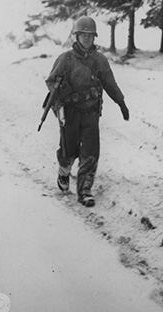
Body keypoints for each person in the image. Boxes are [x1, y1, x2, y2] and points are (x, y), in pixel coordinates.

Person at [45, 16, 129, 207]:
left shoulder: (99, 60)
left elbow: (110, 83)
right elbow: (51, 81)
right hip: (71, 111)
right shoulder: (65, 59)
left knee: (90, 152)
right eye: (83, 35)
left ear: (94, 37)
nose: (86, 39)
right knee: (69, 149)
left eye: (90, 36)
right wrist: (61, 96)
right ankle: (64, 170)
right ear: (76, 36)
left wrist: (121, 102)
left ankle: (84, 191)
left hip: (91, 112)